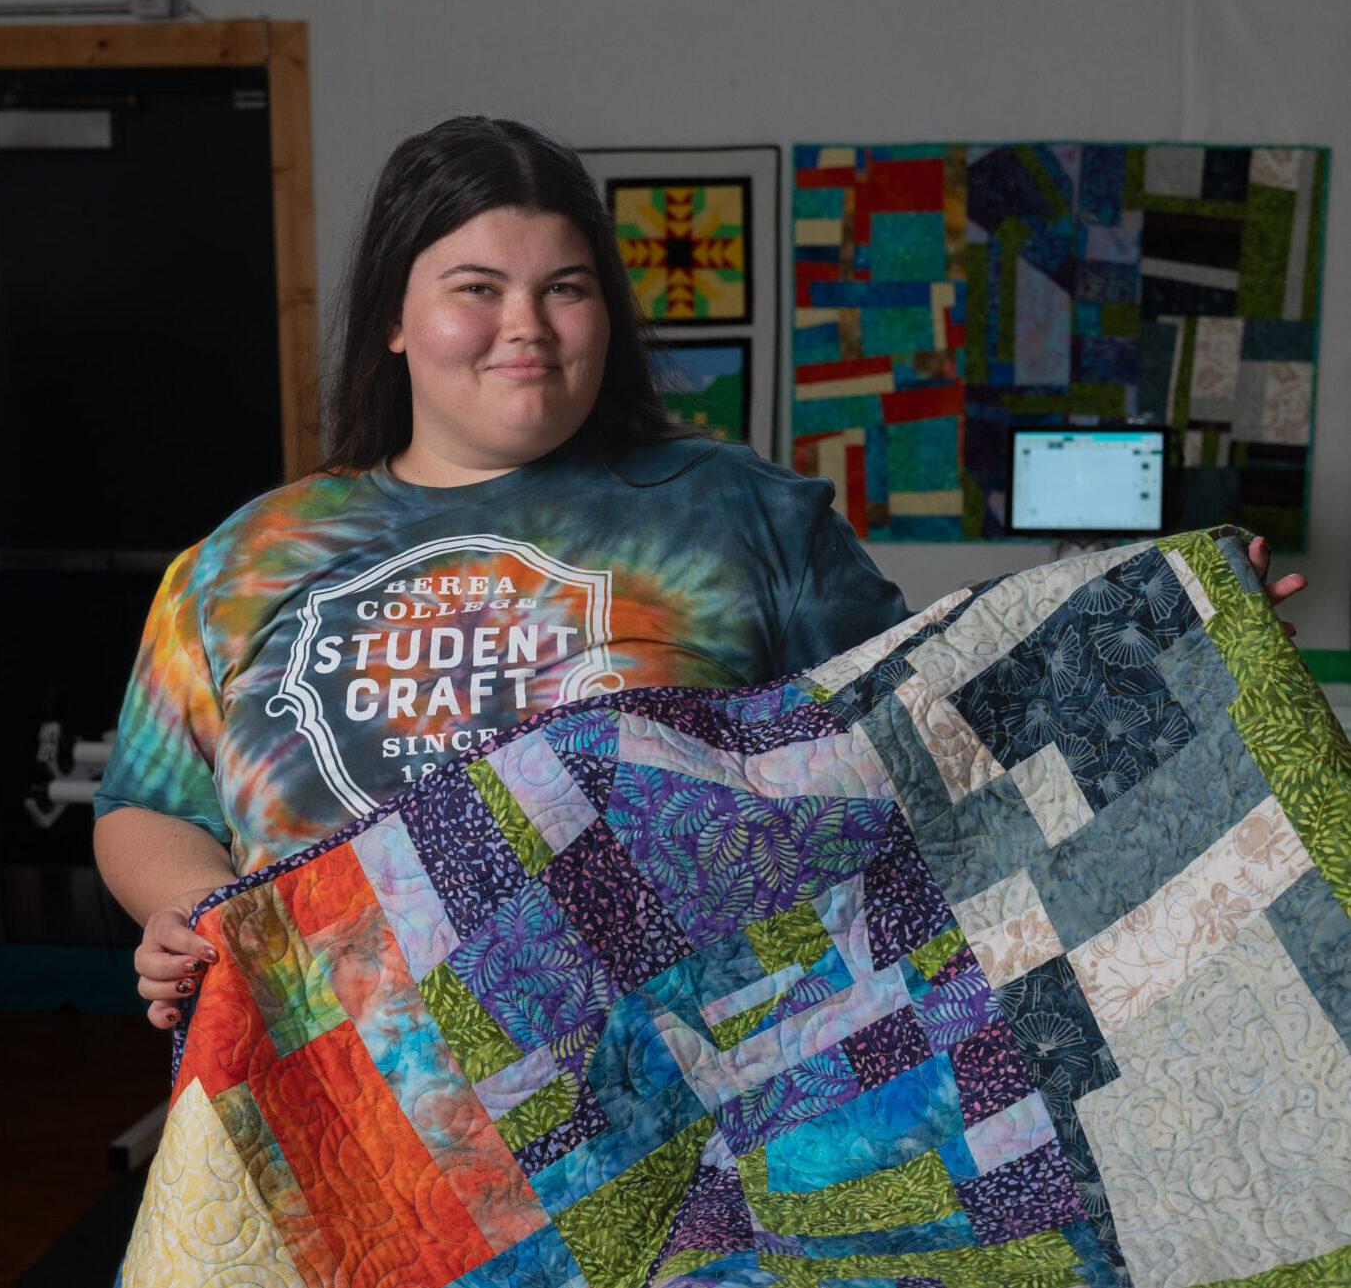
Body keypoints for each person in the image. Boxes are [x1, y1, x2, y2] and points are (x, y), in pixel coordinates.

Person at [93, 116, 1307, 1031]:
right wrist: (197, 911)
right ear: (397, 319)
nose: (527, 325)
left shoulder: (738, 515)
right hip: (348, 1095)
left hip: (698, 1095)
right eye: (476, 289)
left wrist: (1157, 635)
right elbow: (149, 802)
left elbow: (918, 731)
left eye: (564, 288)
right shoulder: (245, 560)